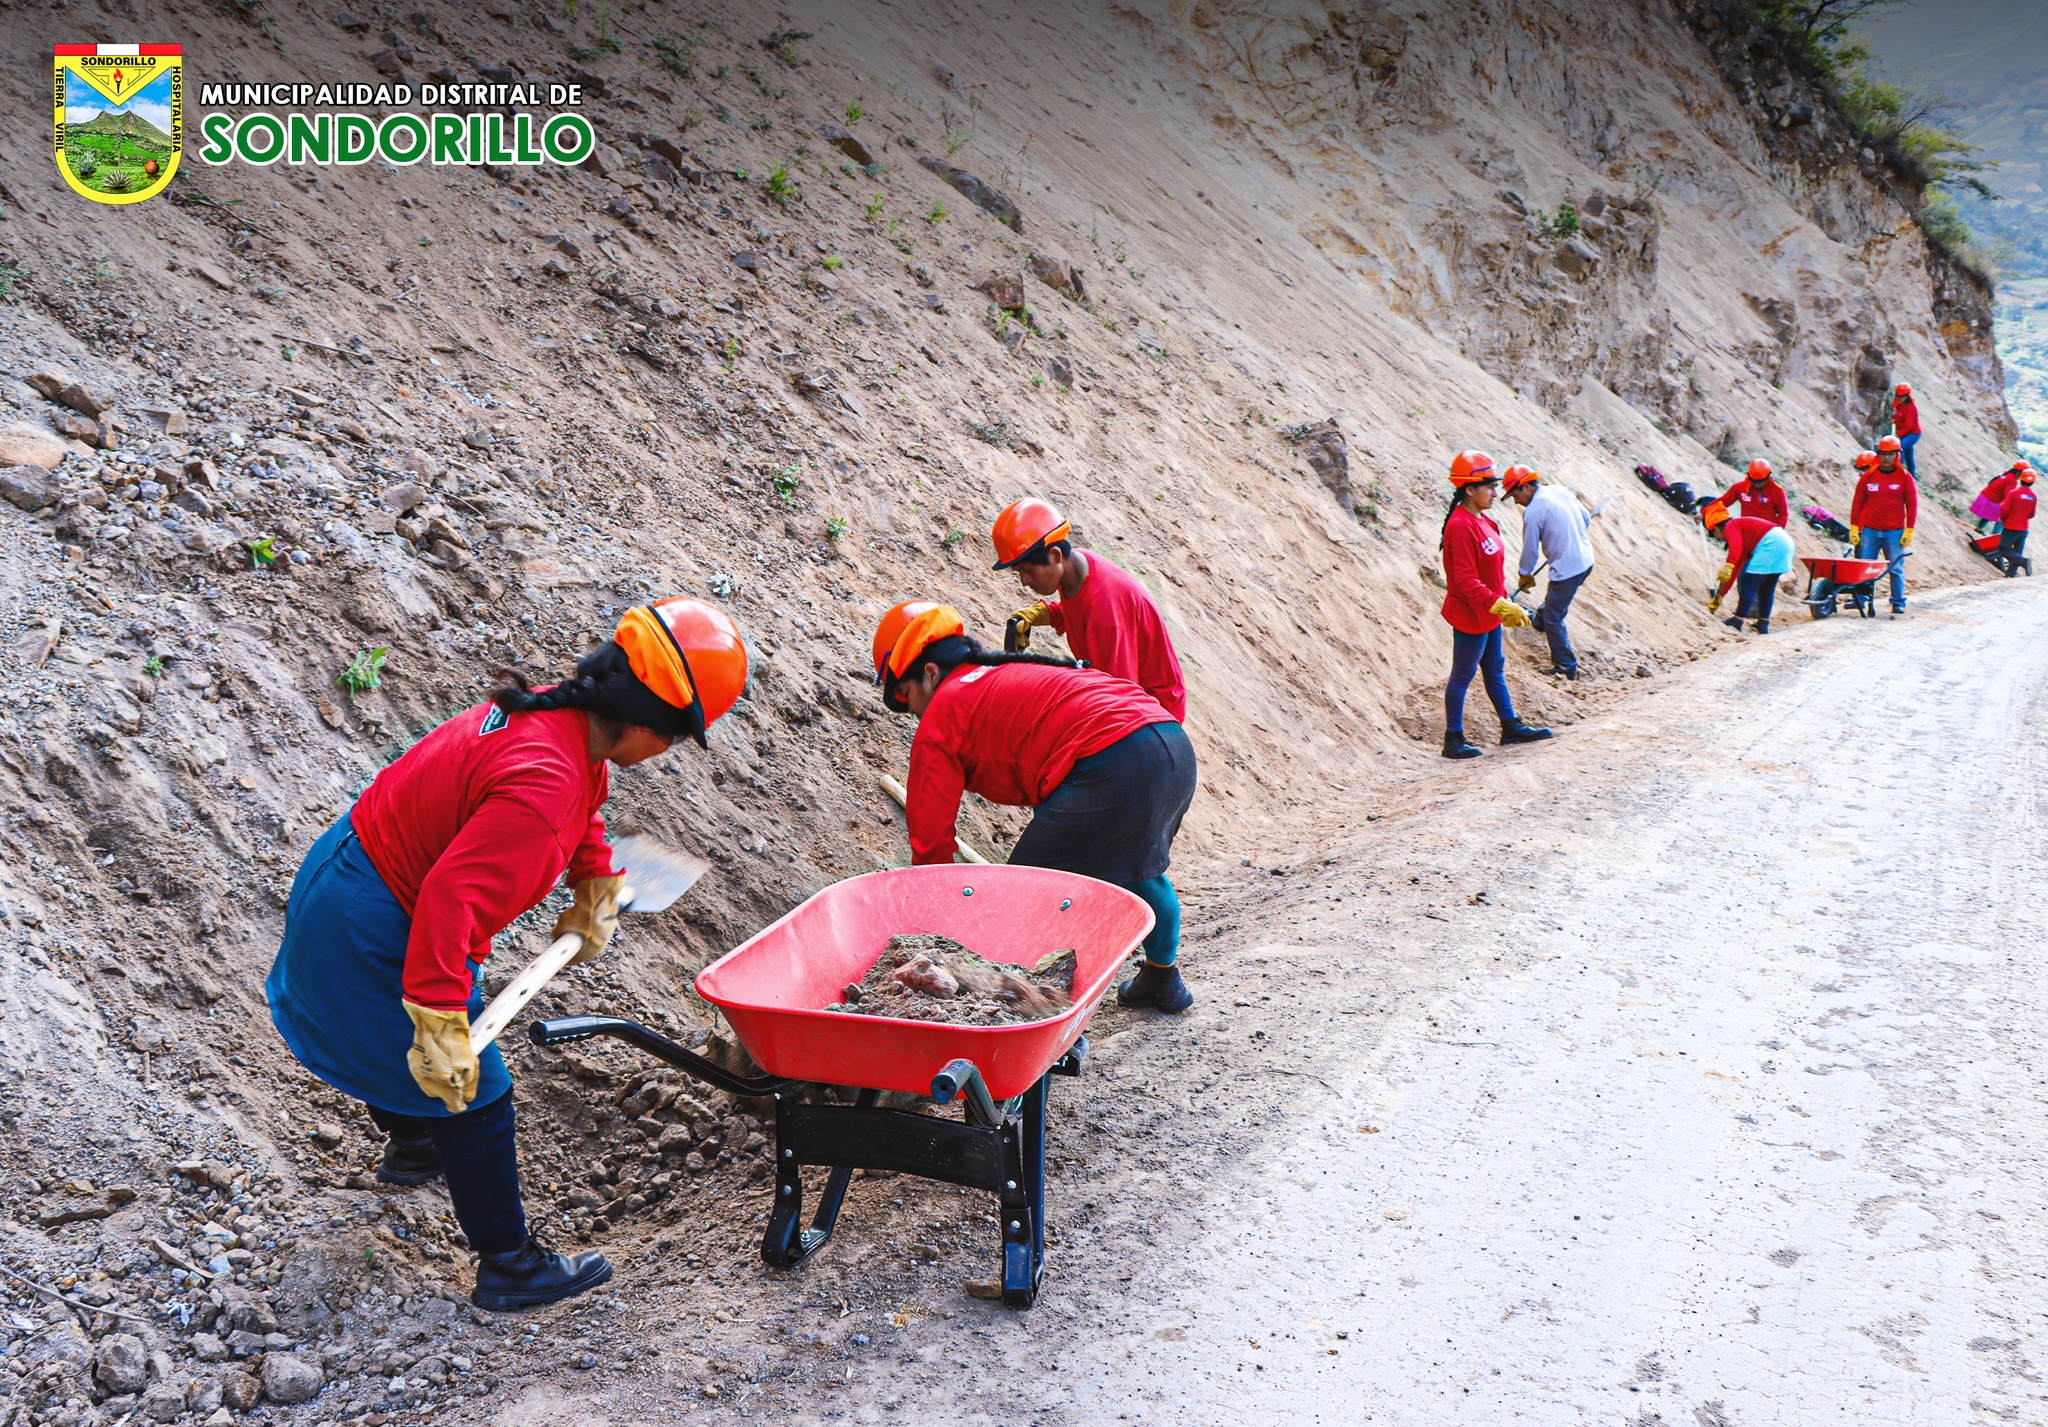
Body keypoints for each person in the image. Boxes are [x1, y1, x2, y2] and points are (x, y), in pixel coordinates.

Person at [267, 599, 748, 1311]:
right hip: (373, 922)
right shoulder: (546, 786)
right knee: (474, 1084)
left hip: (347, 872)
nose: (666, 752)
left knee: (407, 1053)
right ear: (648, 726)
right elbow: (448, 901)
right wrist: (436, 1015)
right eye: (675, 740)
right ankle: (510, 1265)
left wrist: (594, 875)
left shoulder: (559, 719)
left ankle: (417, 1143)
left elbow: (585, 799)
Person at [873, 601, 1199, 1013]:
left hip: (1111, 762)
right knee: (1139, 867)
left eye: (907, 696)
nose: (914, 712)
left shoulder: (944, 711)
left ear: (931, 673)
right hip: (1169, 746)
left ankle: (1045, 1021)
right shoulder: (1006, 675)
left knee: (1029, 902)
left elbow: (931, 842)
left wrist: (934, 927)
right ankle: (1161, 977)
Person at [993, 497, 1187, 722]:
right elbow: (1080, 607)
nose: (1024, 581)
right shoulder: (1079, 566)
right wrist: (1046, 613)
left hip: (1152, 714)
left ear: (1055, 555)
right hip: (1125, 692)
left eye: (1027, 570)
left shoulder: (1105, 615)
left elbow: (1119, 700)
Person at [1439, 451, 1552, 760]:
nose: (1495, 492)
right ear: (1469, 489)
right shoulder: (1460, 525)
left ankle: (1510, 726)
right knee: (1462, 675)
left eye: (1494, 485)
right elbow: (1463, 579)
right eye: (1488, 486)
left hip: (1488, 612)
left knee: (1495, 670)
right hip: (1470, 614)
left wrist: (1503, 600)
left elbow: (1493, 569)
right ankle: (1453, 739)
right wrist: (1498, 605)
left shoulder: (1485, 520)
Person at [1502, 464, 1595, 680]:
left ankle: (1565, 666)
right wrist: (1574, 538)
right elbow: (1586, 518)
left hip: (1568, 569)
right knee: (1555, 602)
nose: (1516, 501)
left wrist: (1525, 574)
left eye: (1515, 495)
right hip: (1586, 560)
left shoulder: (1533, 511)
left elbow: (1530, 549)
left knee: (1555, 618)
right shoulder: (1560, 490)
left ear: (1525, 487)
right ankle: (1540, 619)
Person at [1849, 435, 1918, 615]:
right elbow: (1858, 503)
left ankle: (1898, 601)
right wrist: (1854, 527)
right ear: (1878, 455)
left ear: (1898, 455)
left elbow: (1911, 504)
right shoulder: (1868, 477)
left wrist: (1909, 529)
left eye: (1891, 454)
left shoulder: (1905, 478)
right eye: (1883, 454)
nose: (1887, 458)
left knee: (1895, 568)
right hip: (1870, 531)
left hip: (1894, 532)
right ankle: (1861, 598)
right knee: (1864, 566)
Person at [1703, 505, 1796, 634]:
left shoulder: (1731, 525)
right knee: (1766, 588)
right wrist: (1720, 596)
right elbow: (1735, 569)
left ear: (1716, 528)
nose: (1717, 538)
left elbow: (1734, 555)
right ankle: (1763, 623)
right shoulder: (1742, 531)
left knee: (1748, 584)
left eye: (1714, 534)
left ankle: (1737, 620)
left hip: (1770, 544)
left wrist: (1727, 568)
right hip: (1785, 542)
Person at [1717, 458, 1790, 529]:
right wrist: (1707, 509)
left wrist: (1778, 531)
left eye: (1760, 482)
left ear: (1768, 477)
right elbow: (1722, 502)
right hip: (1746, 532)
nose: (1757, 485)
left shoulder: (1777, 491)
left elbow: (1783, 514)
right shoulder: (1740, 488)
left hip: (1767, 534)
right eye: (1754, 482)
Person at [1971, 459, 2031, 533]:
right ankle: (1995, 536)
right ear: (2019, 472)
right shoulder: (2012, 480)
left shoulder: (2006, 472)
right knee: (2002, 518)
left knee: (1990, 514)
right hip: (1992, 500)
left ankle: (1979, 528)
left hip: (1985, 496)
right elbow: (2008, 495)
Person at [1998, 469, 2036, 573]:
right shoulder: (2033, 496)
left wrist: (2002, 519)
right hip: (2023, 529)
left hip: (2011, 527)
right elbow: (2032, 514)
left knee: (2003, 548)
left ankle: (2024, 561)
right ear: (2032, 482)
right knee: (2017, 551)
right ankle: (2011, 573)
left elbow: (2004, 510)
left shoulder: (2014, 493)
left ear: (2021, 479)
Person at [1891, 383, 1921, 477]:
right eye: (1897, 396)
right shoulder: (1899, 405)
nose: (1899, 398)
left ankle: (1899, 472)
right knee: (1909, 456)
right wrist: (1894, 419)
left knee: (1901, 447)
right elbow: (1897, 415)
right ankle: (1912, 477)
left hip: (1913, 434)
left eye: (1901, 396)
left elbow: (1908, 426)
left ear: (1907, 396)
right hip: (1904, 433)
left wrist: (1898, 435)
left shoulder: (1911, 408)